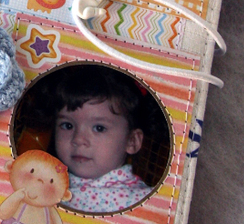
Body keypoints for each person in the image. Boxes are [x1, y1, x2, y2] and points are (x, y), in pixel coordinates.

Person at [41, 65, 157, 212]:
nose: (78, 139)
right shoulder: (40, 189)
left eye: (99, 128)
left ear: (132, 141)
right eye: (67, 125)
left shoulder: (146, 202)